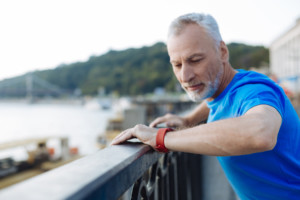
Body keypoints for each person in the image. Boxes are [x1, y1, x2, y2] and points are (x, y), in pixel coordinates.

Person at [112, 13, 300, 199]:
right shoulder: (223, 89)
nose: (185, 76)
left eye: (195, 60)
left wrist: (162, 137)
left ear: (222, 52)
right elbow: (216, 100)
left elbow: (261, 133)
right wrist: (188, 119)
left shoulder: (255, 91)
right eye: (177, 64)